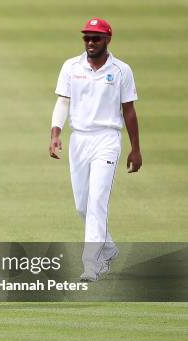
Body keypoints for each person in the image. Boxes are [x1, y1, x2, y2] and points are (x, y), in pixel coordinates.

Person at [49, 18, 142, 282]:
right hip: (79, 139)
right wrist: (55, 132)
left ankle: (93, 264)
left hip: (107, 139)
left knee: (97, 202)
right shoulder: (71, 66)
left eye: (96, 38)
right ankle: (109, 248)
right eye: (87, 38)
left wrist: (135, 149)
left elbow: (129, 111)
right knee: (82, 206)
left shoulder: (121, 70)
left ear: (107, 40)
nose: (90, 42)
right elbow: (62, 102)